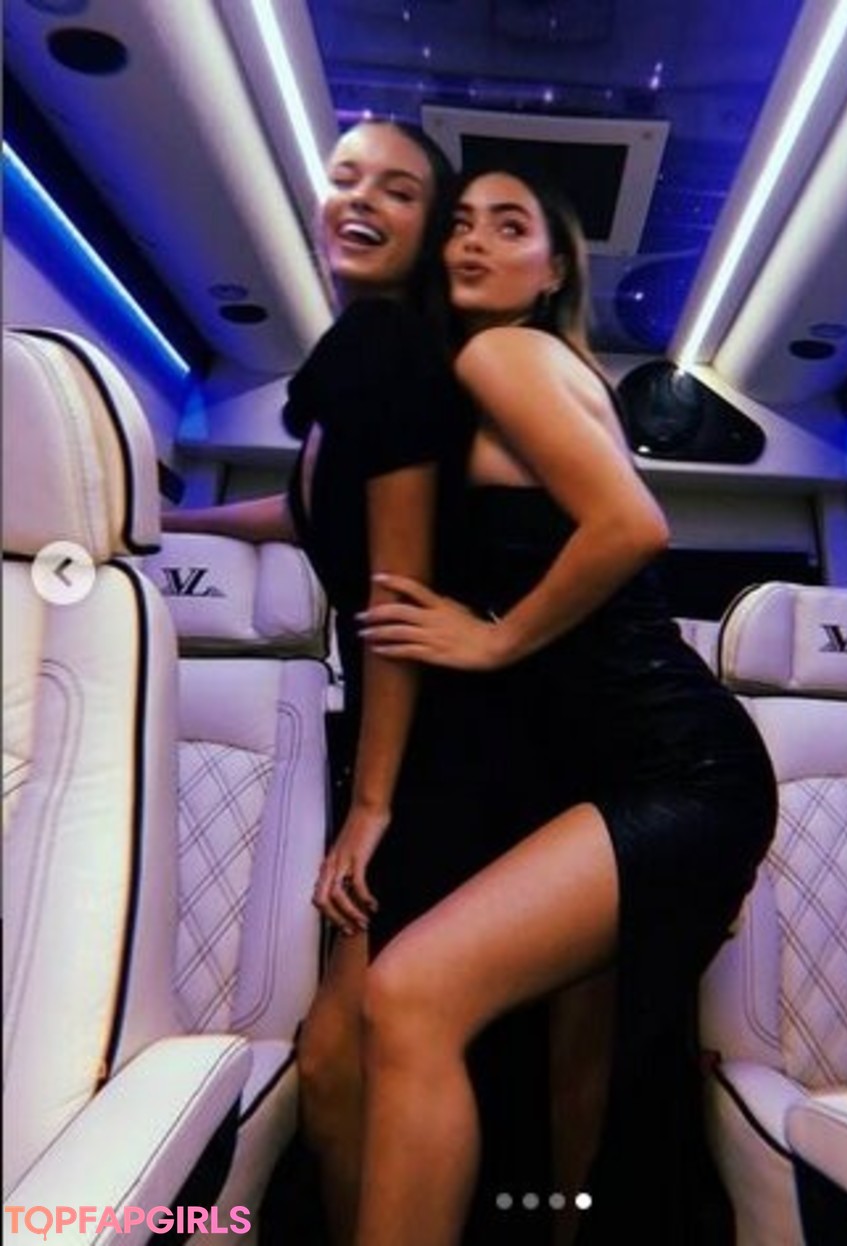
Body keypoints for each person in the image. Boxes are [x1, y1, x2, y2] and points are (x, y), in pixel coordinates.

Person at [355, 169, 779, 1246]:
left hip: (677, 767)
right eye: (459, 223)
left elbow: (632, 526)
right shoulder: (524, 376)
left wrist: (493, 636)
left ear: (553, 272)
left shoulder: (501, 355)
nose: (473, 241)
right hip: (625, 770)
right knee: (575, 1058)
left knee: (408, 995)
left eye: (511, 228)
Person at [162, 120, 540, 1246]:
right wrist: (169, 522)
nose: (363, 198)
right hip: (419, 742)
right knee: (344, 1057)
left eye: (401, 190)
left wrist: (373, 806)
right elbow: (308, 511)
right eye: (346, 177)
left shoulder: (391, 350)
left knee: (343, 1056)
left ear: (428, 234)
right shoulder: (362, 365)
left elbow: (394, 600)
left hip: (451, 751)